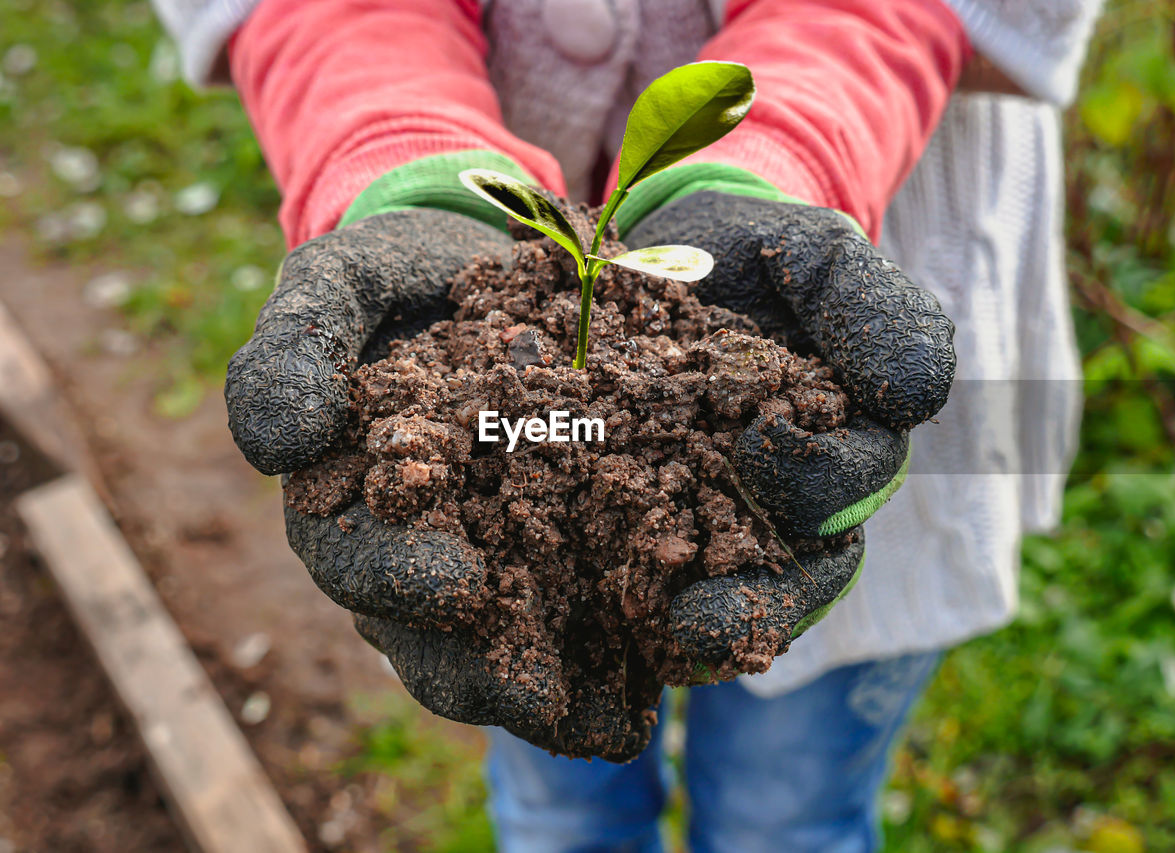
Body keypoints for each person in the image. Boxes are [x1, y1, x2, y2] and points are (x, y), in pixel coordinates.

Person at [153, 0, 1101, 849]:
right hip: (485, 228)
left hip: (851, 241)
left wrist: (790, 149)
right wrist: (403, 158)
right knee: (551, 766)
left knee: (791, 816)